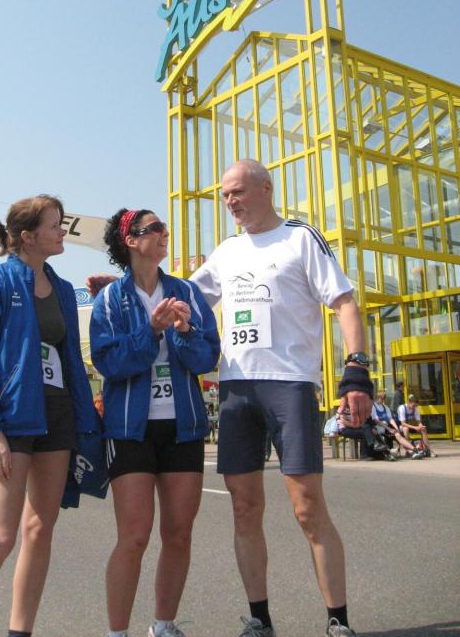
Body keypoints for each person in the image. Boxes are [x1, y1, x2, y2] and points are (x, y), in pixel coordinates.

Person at [88, 160, 373, 637]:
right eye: (224, 195)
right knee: (244, 507)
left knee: (307, 507)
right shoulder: (226, 252)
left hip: (289, 383)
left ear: (266, 188)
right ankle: (259, 618)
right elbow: (177, 294)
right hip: (237, 389)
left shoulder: (301, 238)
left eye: (237, 191)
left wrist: (356, 370)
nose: (230, 201)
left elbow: (343, 301)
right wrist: (114, 286)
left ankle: (337, 620)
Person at [0, 194, 99, 637]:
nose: (62, 232)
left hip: (57, 415)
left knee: (40, 530)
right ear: (27, 236)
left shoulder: (62, 289)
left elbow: (70, 359)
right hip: (13, 419)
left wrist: (85, 421)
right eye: (55, 225)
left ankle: (21, 632)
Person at [89, 207, 220, 637]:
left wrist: (184, 331)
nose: (165, 233)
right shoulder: (111, 299)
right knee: (134, 536)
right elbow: (110, 363)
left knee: (179, 533)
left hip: (183, 426)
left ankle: (163, 626)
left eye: (164, 227)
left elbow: (207, 357)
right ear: (131, 241)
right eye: (155, 229)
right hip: (130, 429)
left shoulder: (186, 291)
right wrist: (150, 330)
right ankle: (117, 632)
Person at [371, 392, 423, 459]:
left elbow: (391, 419)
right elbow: (376, 421)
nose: (382, 400)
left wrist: (396, 428)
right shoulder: (373, 406)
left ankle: (413, 451)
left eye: (383, 398)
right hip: (377, 428)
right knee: (396, 434)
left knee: (398, 435)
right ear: (376, 398)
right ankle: (412, 451)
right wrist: (389, 429)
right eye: (381, 398)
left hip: (386, 428)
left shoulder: (385, 407)